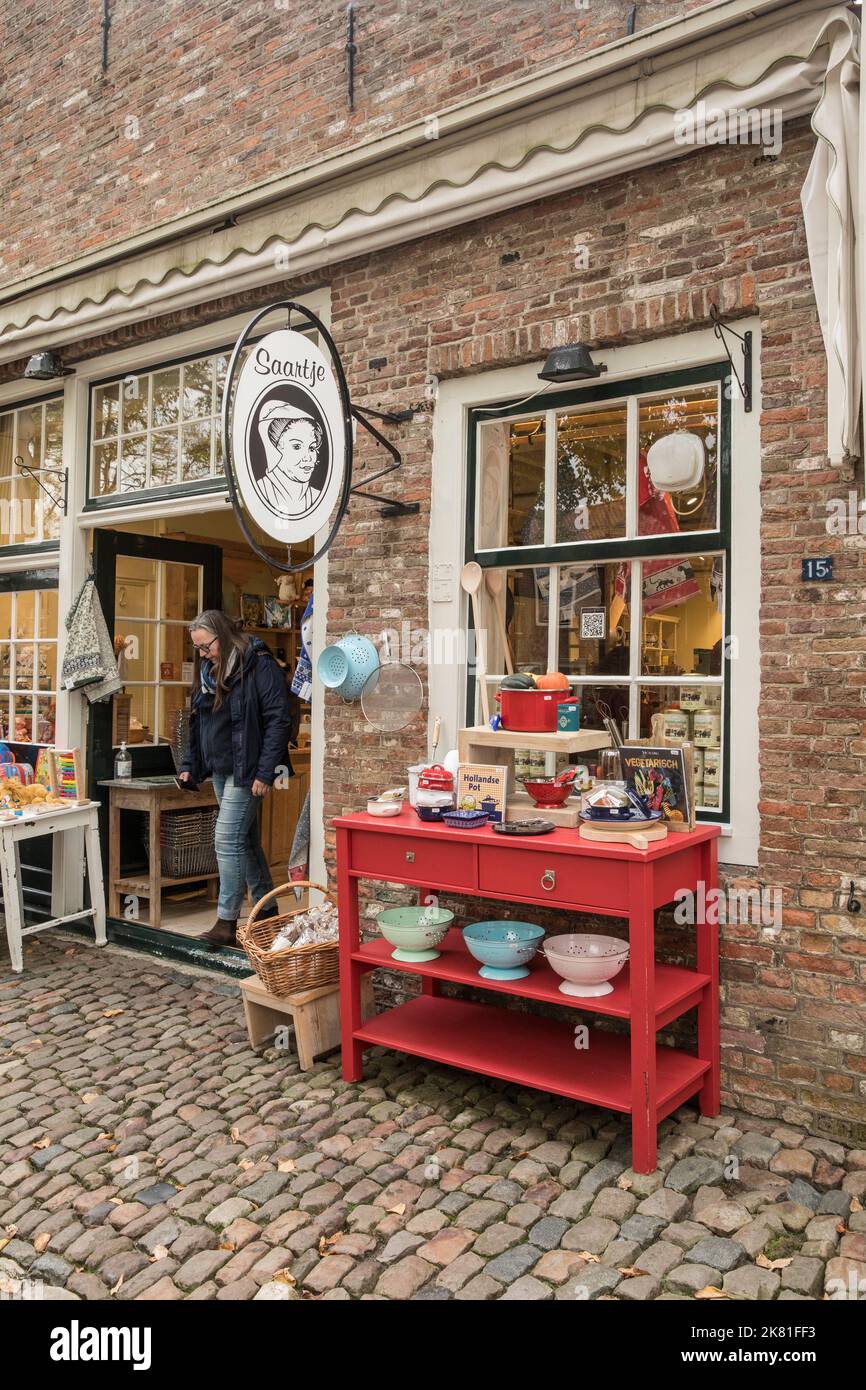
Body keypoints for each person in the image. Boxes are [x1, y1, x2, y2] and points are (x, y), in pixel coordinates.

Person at [180, 610, 291, 949]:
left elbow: (279, 719)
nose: (202, 653)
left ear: (223, 636)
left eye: (206, 646)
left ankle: (227, 921)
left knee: (226, 840)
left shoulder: (258, 664)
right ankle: (267, 908)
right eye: (197, 648)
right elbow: (198, 721)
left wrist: (265, 770)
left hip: (248, 770)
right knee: (245, 842)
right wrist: (189, 763)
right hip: (221, 768)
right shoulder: (207, 671)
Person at [256, 400, 323, 515]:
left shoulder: (317, 497)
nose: (308, 458)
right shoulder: (260, 492)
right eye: (297, 447)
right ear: (274, 448)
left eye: (312, 448)